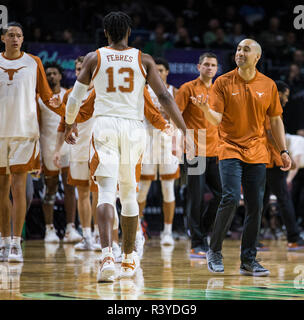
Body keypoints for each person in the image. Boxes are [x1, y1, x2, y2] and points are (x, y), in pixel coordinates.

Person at [64, 11, 190, 282]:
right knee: (130, 194)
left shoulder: (94, 57)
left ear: (106, 33)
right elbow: (165, 96)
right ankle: (129, 259)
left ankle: (107, 256)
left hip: (106, 126)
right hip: (134, 130)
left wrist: (69, 125)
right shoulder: (143, 59)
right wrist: (184, 129)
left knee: (107, 193)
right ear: (129, 33)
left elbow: (75, 98)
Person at [191, 39, 291, 276]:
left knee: (257, 205)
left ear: (257, 57)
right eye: (238, 49)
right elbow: (216, 118)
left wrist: (283, 151)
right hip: (229, 148)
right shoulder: (223, 82)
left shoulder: (268, 85)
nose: (240, 53)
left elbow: (276, 119)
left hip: (257, 150)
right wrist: (206, 110)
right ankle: (213, 250)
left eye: (246, 49)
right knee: (231, 197)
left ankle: (248, 259)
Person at [0, 22, 61, 263]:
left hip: (25, 133)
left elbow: (47, 96)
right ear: (3, 38)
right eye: (11, 35)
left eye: (19, 36)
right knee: (1, 191)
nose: (15, 39)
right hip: (0, 133)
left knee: (18, 188)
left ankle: (16, 243)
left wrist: (67, 115)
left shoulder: (34, 62)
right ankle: (3, 241)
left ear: (23, 39)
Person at [175, 52, 222, 258]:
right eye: (206, 64)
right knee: (196, 196)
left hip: (217, 149)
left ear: (217, 68)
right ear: (198, 67)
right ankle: (197, 242)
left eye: (213, 65)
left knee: (223, 195)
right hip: (195, 148)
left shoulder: (220, 91)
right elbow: (175, 114)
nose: (209, 68)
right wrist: (183, 137)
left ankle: (200, 230)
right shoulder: (187, 88)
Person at [53, 56, 95, 251]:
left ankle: (99, 235)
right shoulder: (70, 94)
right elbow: (63, 126)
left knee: (100, 193)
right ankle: (86, 235)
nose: (79, 72)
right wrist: (56, 150)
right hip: (77, 148)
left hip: (99, 148)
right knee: (83, 193)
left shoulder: (102, 91)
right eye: (77, 69)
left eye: (83, 69)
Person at [137, 57, 179, 247]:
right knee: (142, 190)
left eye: (161, 70)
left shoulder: (174, 92)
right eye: (156, 70)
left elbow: (180, 117)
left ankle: (167, 232)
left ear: (167, 72)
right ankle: (138, 229)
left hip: (168, 144)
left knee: (168, 189)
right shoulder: (141, 91)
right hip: (146, 143)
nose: (158, 73)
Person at [38, 61, 81, 244]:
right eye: (48, 74)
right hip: (47, 146)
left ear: (61, 76)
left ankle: (71, 228)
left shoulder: (68, 94)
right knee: (50, 189)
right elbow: (37, 125)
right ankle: (49, 229)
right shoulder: (39, 98)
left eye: (55, 73)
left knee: (70, 187)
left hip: (67, 146)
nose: (51, 76)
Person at [262, 80, 304, 251]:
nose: (286, 100)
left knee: (261, 200)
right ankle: (293, 238)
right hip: (271, 161)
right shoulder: (269, 109)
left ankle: (251, 239)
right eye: (283, 96)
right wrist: (285, 153)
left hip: (265, 161)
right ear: (275, 93)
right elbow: (271, 135)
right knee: (284, 198)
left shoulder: (273, 109)